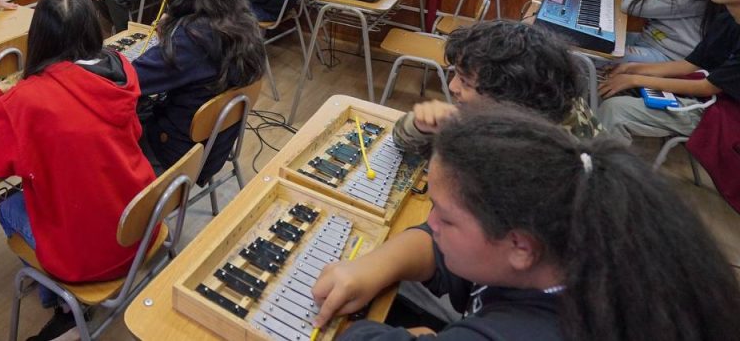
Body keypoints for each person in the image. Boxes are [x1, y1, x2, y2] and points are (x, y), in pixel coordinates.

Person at [313, 109, 740, 341]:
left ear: (520, 247)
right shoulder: (579, 240)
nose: (431, 222)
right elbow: (440, 250)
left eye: (444, 215)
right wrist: (375, 265)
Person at [0, 0, 156, 340]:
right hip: (140, 224)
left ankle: (66, 307)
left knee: (9, 208)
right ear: (92, 29)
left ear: (39, 36)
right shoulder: (122, 69)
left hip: (92, 257)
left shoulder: (31, 98)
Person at [132, 0, 265, 183]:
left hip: (179, 153)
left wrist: (166, 37)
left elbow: (132, 78)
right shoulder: (244, 25)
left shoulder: (189, 41)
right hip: (217, 146)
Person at [598, 0, 740, 143]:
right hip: (708, 97)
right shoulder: (727, 20)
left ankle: (607, 171)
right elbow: (690, 63)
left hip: (725, 115)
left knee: (615, 110)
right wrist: (635, 68)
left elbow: (708, 88)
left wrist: (635, 79)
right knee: (604, 78)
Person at [393, 20, 600, 153]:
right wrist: (420, 125)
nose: (452, 86)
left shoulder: (543, 155)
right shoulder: (543, 98)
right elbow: (401, 138)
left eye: (465, 82)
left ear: (509, 97)